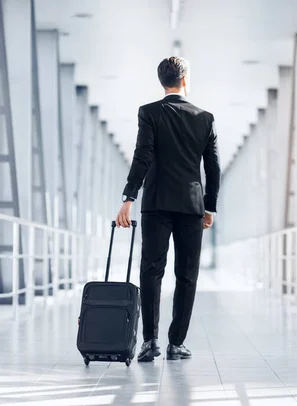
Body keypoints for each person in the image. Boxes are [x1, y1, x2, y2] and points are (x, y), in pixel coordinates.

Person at [115, 56, 221, 362]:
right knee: (187, 275)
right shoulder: (205, 118)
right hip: (191, 207)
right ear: (185, 79)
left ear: (162, 81)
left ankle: (150, 341)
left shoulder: (149, 113)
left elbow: (142, 155)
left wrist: (129, 196)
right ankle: (177, 343)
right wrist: (209, 206)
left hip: (157, 204)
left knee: (152, 270)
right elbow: (212, 168)